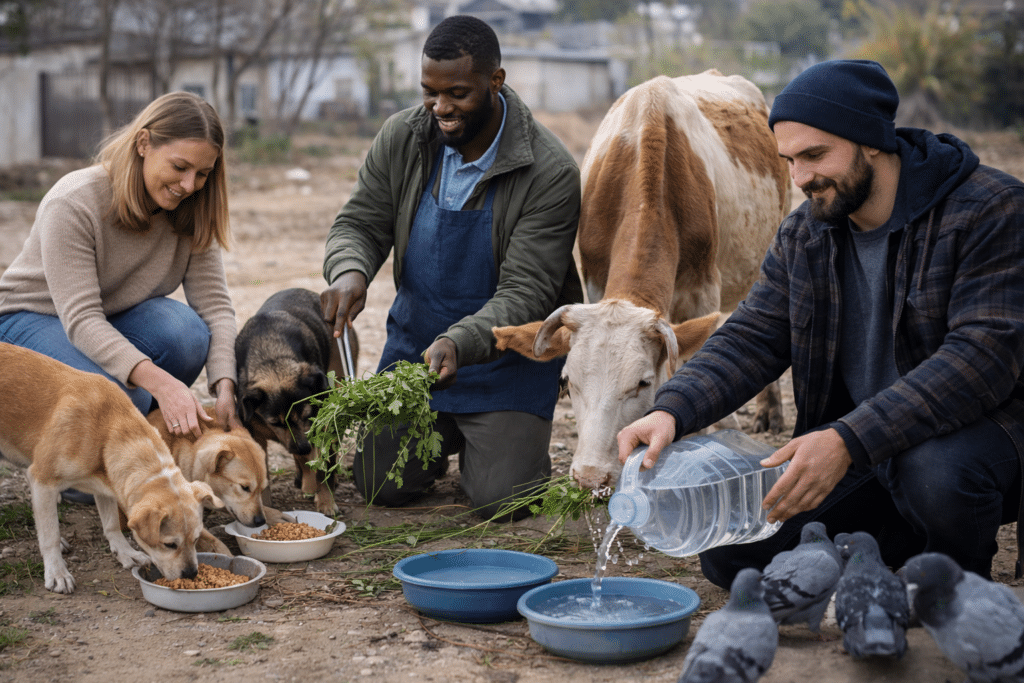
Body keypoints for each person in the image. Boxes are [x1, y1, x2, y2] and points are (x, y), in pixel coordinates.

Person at [616, 59, 1024, 586]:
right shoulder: (806, 234)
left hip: (980, 440)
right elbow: (750, 338)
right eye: (788, 160)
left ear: (873, 140)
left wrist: (845, 440)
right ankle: (892, 548)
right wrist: (671, 410)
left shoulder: (991, 211)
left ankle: (955, 586)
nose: (800, 178)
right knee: (732, 557)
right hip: (861, 448)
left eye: (815, 156)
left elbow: (981, 359)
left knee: (934, 475)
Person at [320, 15, 583, 520]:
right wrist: (349, 271)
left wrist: (460, 343)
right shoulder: (404, 136)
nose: (440, 108)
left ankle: (500, 444)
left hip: (506, 363)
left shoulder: (548, 171)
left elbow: (527, 291)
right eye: (430, 92)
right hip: (416, 356)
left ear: (495, 82)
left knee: (505, 500)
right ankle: (446, 441)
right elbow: (359, 222)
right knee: (379, 486)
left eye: (458, 94)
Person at [0, 91, 241, 503]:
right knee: (119, 398)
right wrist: (164, 387)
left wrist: (225, 385)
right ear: (144, 144)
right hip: (30, 321)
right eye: (180, 167)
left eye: (202, 174)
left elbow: (216, 307)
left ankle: (132, 439)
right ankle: (78, 473)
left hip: (109, 321)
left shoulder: (192, 207)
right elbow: (81, 319)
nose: (189, 186)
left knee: (185, 332)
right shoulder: (74, 200)